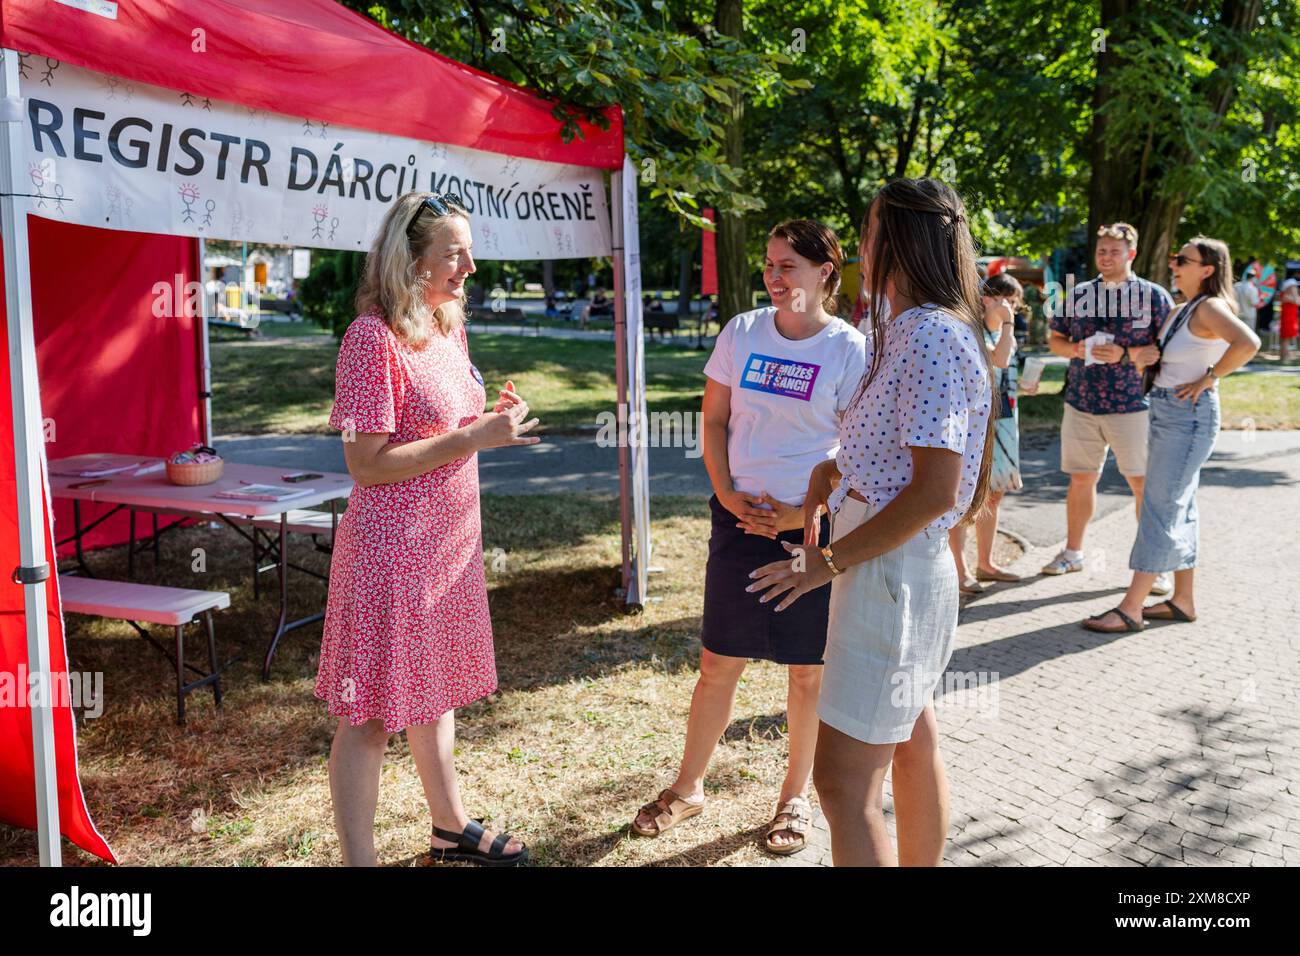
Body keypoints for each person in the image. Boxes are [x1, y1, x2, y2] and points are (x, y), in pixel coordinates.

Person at [748, 178, 994, 866]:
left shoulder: (930, 336)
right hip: (893, 572)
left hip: (891, 576)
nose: (860, 242)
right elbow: (900, 456)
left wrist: (824, 563)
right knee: (912, 745)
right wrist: (837, 471)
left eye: (869, 227)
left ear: (900, 240)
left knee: (842, 783)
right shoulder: (913, 329)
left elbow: (932, 492)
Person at [316, 191, 541, 867]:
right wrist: (474, 435)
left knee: (434, 685)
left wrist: (492, 420)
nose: (470, 265)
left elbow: (451, 422)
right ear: (409, 259)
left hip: (445, 546)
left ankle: (450, 828)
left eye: (469, 250)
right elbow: (365, 463)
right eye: (454, 253)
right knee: (369, 716)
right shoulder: (370, 339)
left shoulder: (446, 326)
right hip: (391, 554)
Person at [630, 220, 868, 856]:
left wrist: (799, 516)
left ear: (826, 273)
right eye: (769, 264)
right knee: (716, 664)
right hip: (737, 518)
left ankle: (794, 800)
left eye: (789, 265)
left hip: (810, 529)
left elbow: (858, 451)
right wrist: (729, 492)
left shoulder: (849, 349)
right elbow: (713, 420)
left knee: (806, 675)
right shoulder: (741, 331)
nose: (774, 276)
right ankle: (688, 789)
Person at [1083, 236, 1260, 633]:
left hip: (1188, 416)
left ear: (1208, 269)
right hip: (1167, 411)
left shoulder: (1211, 307)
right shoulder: (1184, 309)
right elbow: (1161, 357)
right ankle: (1182, 600)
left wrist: (1210, 378)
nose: (1174, 264)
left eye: (1183, 259)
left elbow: (1248, 342)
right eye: (1175, 258)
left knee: (1159, 507)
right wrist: (1143, 357)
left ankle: (1131, 608)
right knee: (1181, 507)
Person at [1043, 222, 1175, 596]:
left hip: (1133, 405)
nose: (1106, 256)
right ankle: (1072, 552)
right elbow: (1055, 338)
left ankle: (1155, 565)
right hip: (1082, 403)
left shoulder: (1153, 297)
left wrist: (1129, 354)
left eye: (1114, 251)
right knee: (1081, 478)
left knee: (1142, 484)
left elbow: (1167, 350)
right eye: (1101, 250)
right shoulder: (1079, 294)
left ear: (1130, 254)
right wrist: (1073, 350)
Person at [949, 272, 1025, 592]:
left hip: (1005, 421)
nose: (1008, 306)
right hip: (977, 423)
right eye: (1002, 299)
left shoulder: (1004, 332)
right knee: (965, 495)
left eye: (1014, 301)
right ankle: (960, 568)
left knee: (994, 495)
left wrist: (1027, 388)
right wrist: (1007, 324)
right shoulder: (974, 330)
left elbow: (1006, 374)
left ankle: (986, 562)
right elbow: (1000, 360)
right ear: (985, 300)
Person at [1279, 270, 1299, 363]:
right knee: (1287, 337)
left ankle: (1284, 357)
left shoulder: (1285, 286)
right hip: (1290, 314)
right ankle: (1285, 358)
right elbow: (1296, 301)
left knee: (1285, 337)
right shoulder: (1292, 284)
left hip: (1286, 313)